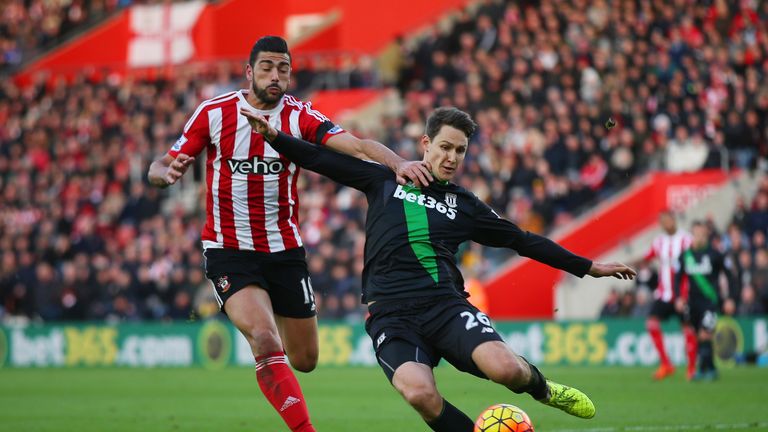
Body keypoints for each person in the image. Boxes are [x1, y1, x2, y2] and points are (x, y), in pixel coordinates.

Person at [242, 106, 636, 432]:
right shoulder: (383, 179)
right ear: (426, 144)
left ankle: (544, 390)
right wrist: (275, 137)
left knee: (506, 371)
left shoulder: (465, 205)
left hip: (444, 306)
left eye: (460, 151)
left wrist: (589, 268)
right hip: (391, 316)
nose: (451, 157)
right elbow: (321, 159)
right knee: (419, 394)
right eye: (445, 147)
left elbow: (523, 240)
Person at [147, 36, 431, 432]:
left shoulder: (299, 116)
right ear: (249, 72)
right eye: (266, 67)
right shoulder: (213, 113)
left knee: (305, 359)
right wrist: (165, 175)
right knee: (264, 338)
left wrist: (398, 162)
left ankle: (275, 361)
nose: (275, 75)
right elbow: (162, 163)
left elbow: (357, 144)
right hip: (228, 248)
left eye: (283, 68)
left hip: (284, 250)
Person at [674, 221, 734, 381]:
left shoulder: (716, 254)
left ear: (707, 234)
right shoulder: (685, 255)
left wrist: (730, 298)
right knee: (698, 336)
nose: (699, 237)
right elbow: (677, 278)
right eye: (696, 234)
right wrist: (679, 297)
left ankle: (702, 370)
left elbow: (729, 274)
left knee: (705, 334)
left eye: (702, 234)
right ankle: (711, 369)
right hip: (692, 303)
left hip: (711, 302)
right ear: (692, 235)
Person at [641, 210, 697, 380]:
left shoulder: (687, 240)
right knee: (651, 324)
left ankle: (692, 368)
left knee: (688, 328)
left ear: (674, 220)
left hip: (683, 294)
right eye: (663, 221)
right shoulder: (659, 242)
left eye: (669, 220)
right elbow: (648, 258)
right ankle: (666, 364)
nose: (667, 224)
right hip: (664, 294)